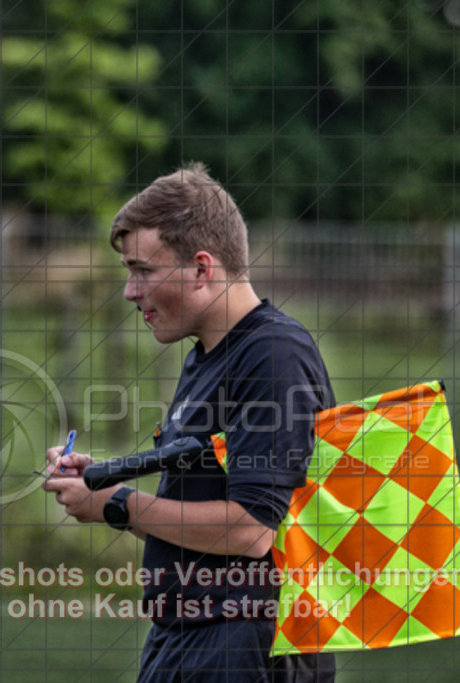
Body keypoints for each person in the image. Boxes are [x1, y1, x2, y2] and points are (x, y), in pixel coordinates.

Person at [43, 163, 336, 682]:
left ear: (202, 269)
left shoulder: (272, 352)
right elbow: (195, 518)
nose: (131, 292)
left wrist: (116, 505)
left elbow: (250, 530)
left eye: (142, 270)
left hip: (241, 645)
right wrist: (103, 487)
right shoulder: (208, 353)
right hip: (186, 638)